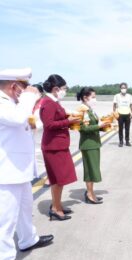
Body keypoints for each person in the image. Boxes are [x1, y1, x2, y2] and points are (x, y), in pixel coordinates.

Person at [0, 68, 54, 259]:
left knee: (25, 210)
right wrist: (29, 98)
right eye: (23, 88)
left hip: (18, 172)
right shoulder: (2, 103)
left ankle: (28, 239)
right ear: (14, 86)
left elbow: (25, 125)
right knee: (5, 221)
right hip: (6, 173)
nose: (25, 92)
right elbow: (17, 119)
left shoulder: (12, 104)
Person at [40, 74, 80, 221]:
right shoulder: (49, 102)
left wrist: (67, 117)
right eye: (64, 88)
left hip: (58, 145)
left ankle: (57, 205)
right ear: (56, 89)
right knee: (58, 180)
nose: (65, 91)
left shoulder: (53, 101)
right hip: (53, 147)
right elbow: (48, 124)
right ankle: (55, 209)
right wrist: (67, 121)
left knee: (59, 179)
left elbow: (56, 118)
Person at [77, 88, 110, 204]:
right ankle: (90, 194)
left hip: (93, 143)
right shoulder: (83, 110)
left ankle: (91, 192)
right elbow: (83, 128)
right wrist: (98, 126)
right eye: (93, 97)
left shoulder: (89, 110)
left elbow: (93, 125)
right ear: (85, 98)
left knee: (93, 169)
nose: (95, 99)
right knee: (90, 170)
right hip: (88, 144)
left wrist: (103, 126)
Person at [113, 82, 132, 147]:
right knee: (120, 129)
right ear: (120, 88)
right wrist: (114, 113)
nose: (123, 89)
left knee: (127, 129)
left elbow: (131, 105)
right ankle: (121, 142)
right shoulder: (116, 96)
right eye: (122, 88)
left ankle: (127, 141)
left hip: (127, 114)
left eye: (124, 88)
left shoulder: (129, 96)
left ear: (126, 88)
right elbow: (114, 105)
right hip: (120, 114)